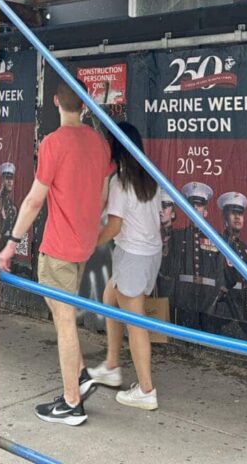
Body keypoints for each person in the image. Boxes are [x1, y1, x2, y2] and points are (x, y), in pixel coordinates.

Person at [0, 79, 113, 426]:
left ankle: (72, 403)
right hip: (83, 245)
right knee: (61, 310)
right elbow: (104, 197)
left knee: (64, 323)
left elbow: (34, 200)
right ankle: (79, 376)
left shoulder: (52, 143)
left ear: (55, 102)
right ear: (85, 104)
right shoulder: (99, 144)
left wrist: (11, 242)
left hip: (58, 247)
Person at [86, 122, 162, 411]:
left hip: (133, 255)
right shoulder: (150, 177)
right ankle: (112, 365)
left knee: (136, 322)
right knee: (109, 297)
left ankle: (146, 390)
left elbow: (114, 226)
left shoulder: (121, 182)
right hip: (148, 253)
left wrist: (91, 243)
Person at [167, 181, 219, 329]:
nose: (195, 207)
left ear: (206, 211)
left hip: (208, 296)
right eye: (191, 204)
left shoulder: (216, 239)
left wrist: (214, 296)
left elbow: (220, 272)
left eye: (199, 204)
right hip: (184, 294)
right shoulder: (177, 236)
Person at [208, 191, 247, 323]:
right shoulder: (216, 242)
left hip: (243, 307)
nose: (237, 217)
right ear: (225, 217)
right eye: (233, 213)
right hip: (223, 307)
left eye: (240, 213)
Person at [0, 162, 18, 247]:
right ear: (2, 181)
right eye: (7, 178)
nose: (9, 181)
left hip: (9, 244)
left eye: (11, 178)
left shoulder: (13, 206)